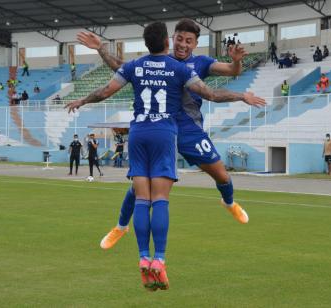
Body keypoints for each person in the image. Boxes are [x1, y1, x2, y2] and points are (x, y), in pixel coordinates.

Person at [69, 21, 265, 291]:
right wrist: (102, 49)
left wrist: (237, 63)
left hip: (185, 130)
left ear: (195, 44)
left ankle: (229, 203)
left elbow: (231, 71)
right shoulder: (171, 64)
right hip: (165, 130)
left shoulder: (200, 63)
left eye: (188, 41)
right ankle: (121, 227)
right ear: (170, 39)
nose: (183, 44)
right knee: (142, 189)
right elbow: (122, 67)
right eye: (179, 39)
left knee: (220, 173)